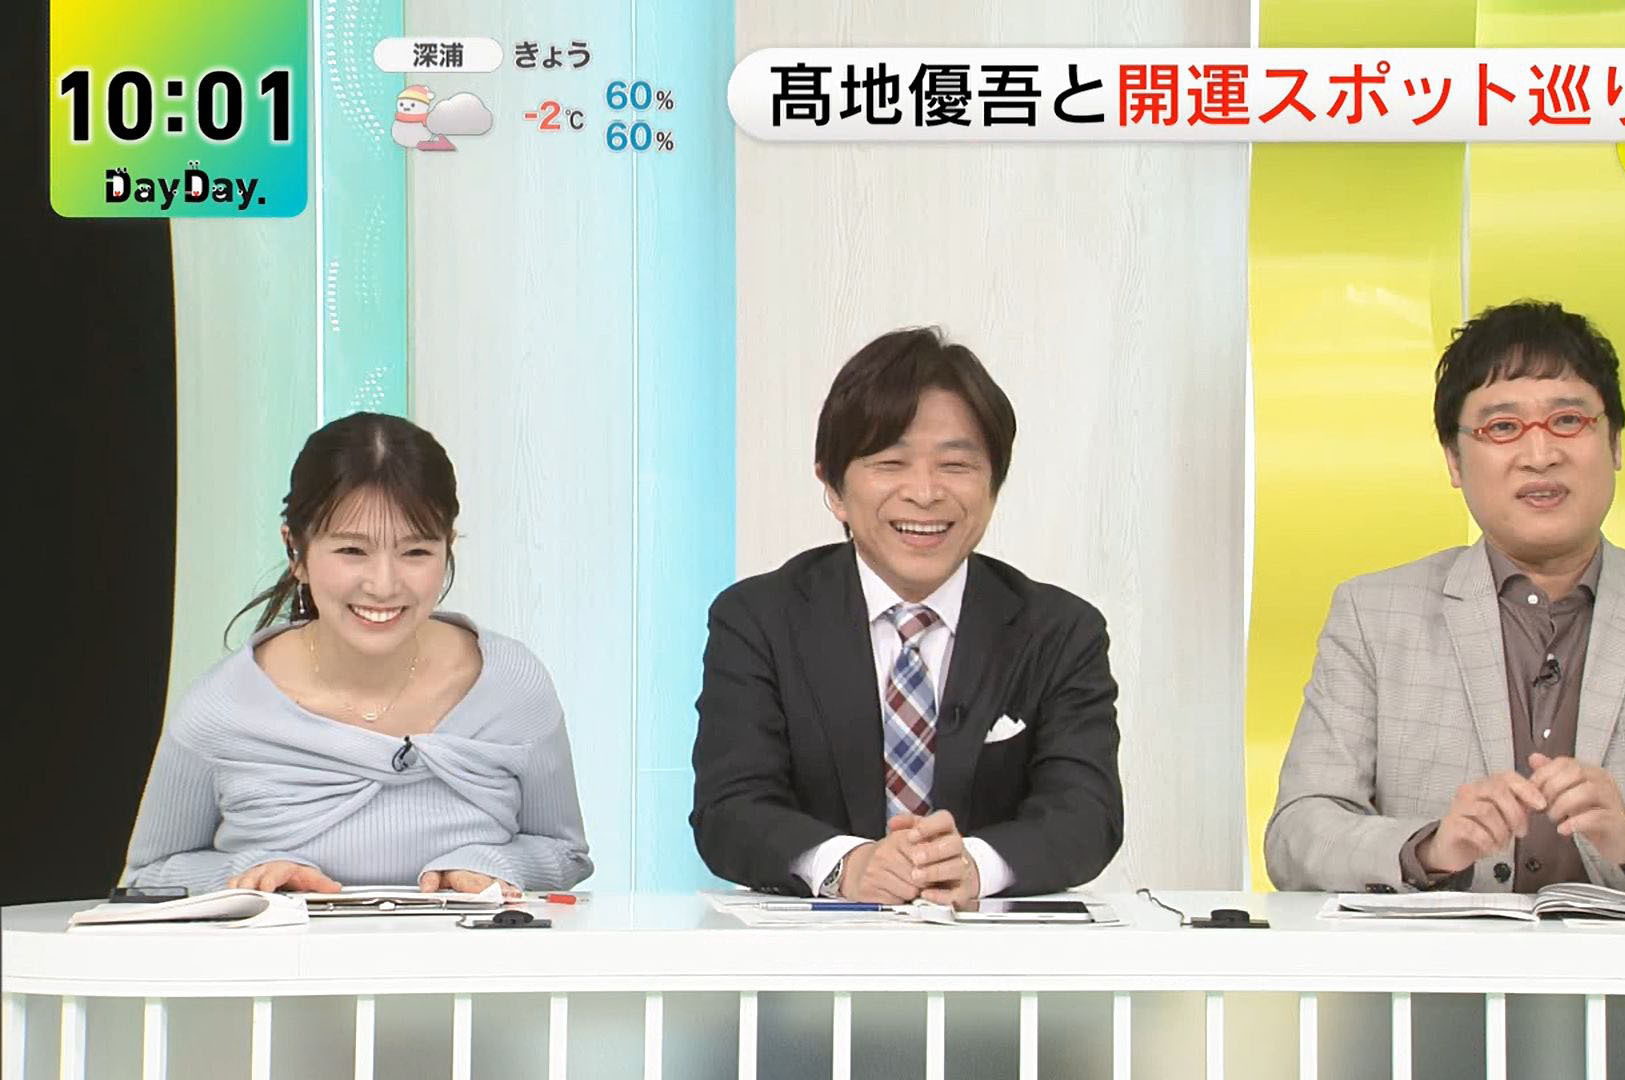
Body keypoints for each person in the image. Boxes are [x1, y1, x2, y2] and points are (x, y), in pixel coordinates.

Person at [1265, 300, 1625, 901]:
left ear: (1615, 444)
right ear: (1454, 460)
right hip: (1439, 961)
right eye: (1503, 428)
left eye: (1568, 421)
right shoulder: (1372, 616)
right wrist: (1426, 850)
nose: (1540, 455)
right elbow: (1297, 834)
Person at [692, 327, 1123, 902]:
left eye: (956, 465)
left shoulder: (1061, 630)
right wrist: (848, 865)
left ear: (994, 484)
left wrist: (974, 865)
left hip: (993, 951)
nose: (924, 492)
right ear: (834, 488)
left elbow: (1087, 814)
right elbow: (730, 810)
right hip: (810, 952)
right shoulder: (758, 620)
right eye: (890, 462)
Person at [122, 412, 592, 894]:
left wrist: (489, 863)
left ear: (447, 547)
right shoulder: (220, 708)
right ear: (296, 551)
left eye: (416, 552)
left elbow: (566, 852)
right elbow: (145, 878)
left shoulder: (513, 685)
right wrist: (250, 874)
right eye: (352, 551)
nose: (383, 585)